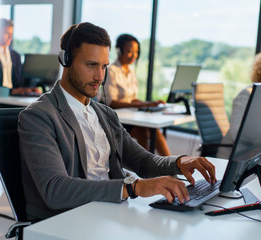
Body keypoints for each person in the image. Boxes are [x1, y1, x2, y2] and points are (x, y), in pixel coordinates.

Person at [18, 22, 217, 221]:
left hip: (109, 213)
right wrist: (134, 187)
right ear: (66, 60)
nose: (99, 76)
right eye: (91, 65)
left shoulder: (105, 114)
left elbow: (143, 161)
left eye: (104, 66)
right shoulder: (39, 116)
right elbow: (56, 190)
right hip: (66, 220)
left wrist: (180, 161)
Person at [99, 34, 171, 156]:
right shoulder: (111, 71)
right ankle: (150, 167)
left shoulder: (131, 70)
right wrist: (143, 104)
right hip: (116, 119)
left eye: (136, 52)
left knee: (154, 131)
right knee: (145, 131)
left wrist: (149, 104)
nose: (134, 55)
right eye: (129, 51)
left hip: (130, 116)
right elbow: (110, 103)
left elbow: (132, 99)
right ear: (119, 50)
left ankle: (172, 166)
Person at [0, 18, 41, 96]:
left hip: (12, 98)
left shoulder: (16, 55)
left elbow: (19, 80)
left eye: (11, 34)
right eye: (6, 33)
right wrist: (11, 91)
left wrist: (29, 88)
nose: (10, 37)